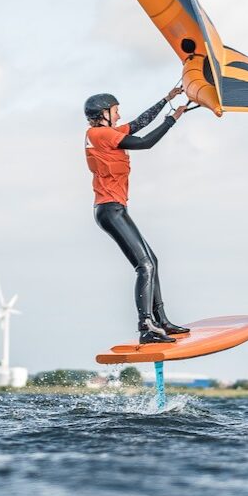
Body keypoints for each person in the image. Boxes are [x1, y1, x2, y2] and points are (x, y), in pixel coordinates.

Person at [84, 88, 191, 344]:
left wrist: (167, 99)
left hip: (115, 209)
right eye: (115, 111)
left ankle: (161, 320)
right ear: (103, 114)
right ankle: (146, 327)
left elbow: (138, 123)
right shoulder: (100, 134)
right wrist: (172, 118)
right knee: (145, 266)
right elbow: (145, 142)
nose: (119, 115)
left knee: (151, 260)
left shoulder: (105, 133)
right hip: (110, 210)